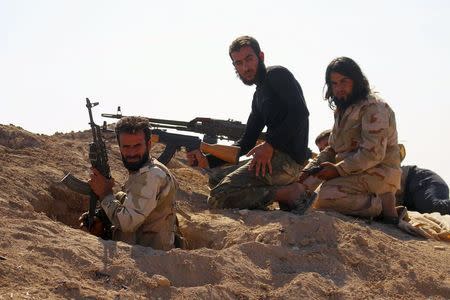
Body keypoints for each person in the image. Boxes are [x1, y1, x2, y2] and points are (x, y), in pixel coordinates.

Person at [188, 35, 313, 212]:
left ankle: (289, 193)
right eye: (238, 63)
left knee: (219, 197)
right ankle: (281, 191)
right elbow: (246, 142)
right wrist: (207, 159)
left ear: (260, 57)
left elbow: (300, 113)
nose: (245, 67)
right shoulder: (258, 96)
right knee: (215, 179)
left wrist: (269, 145)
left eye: (249, 59)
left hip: (288, 160)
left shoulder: (277, 75)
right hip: (271, 160)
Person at [301, 57, 402, 222]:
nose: (339, 88)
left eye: (344, 81)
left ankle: (382, 204)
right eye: (334, 83)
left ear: (356, 80)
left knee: (325, 197)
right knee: (301, 189)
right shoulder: (342, 110)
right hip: (351, 171)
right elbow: (332, 149)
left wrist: (337, 170)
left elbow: (373, 155)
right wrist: (307, 171)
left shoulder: (374, 107)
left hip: (378, 174)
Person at [85, 116, 179, 250]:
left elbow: (127, 223)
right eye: (126, 147)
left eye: (137, 145)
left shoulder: (152, 175)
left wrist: (105, 194)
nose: (132, 152)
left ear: (148, 145)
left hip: (152, 260)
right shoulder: (140, 171)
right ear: (120, 147)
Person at [315, 130, 450, 215]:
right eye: (322, 149)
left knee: (435, 208)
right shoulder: (339, 168)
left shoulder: (357, 158)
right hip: (407, 200)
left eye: (328, 146)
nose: (326, 151)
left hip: (418, 181)